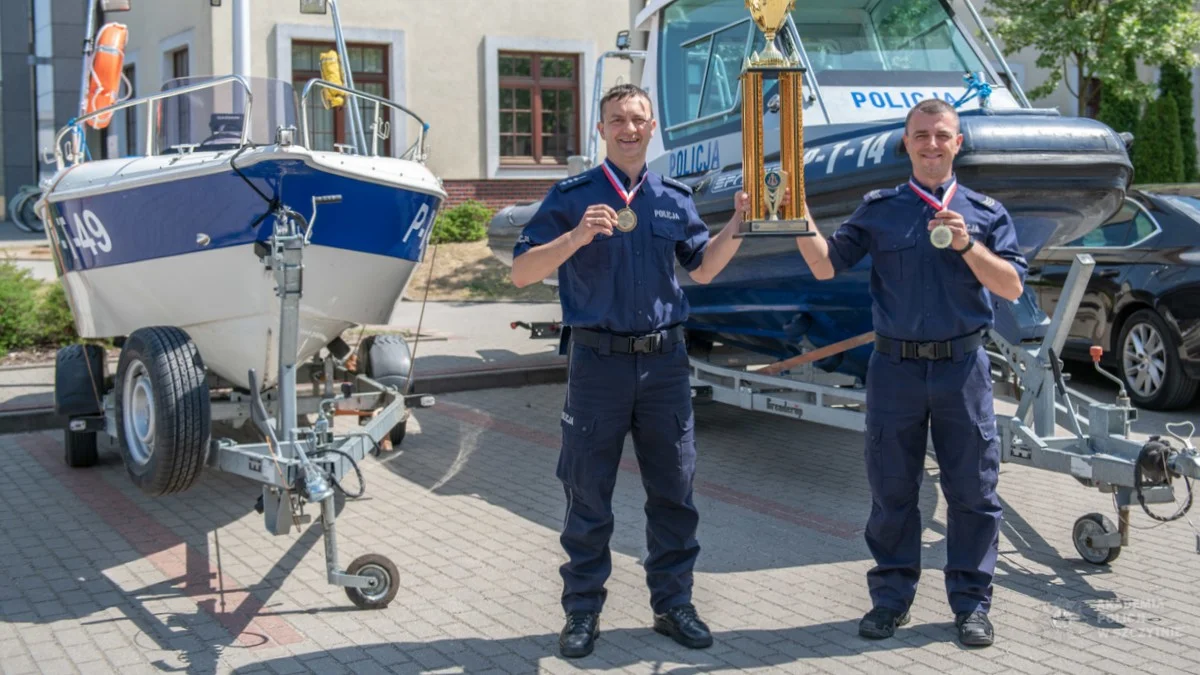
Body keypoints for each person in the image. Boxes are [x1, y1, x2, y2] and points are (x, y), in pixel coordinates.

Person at [510, 83, 751, 659]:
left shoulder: (673, 197)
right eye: (617, 119)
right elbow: (521, 272)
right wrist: (575, 235)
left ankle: (673, 605)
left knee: (674, 492)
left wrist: (741, 221)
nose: (629, 128)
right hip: (599, 364)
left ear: (651, 127)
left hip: (665, 364)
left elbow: (705, 269)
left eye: (639, 119)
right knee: (588, 492)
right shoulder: (572, 195)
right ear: (601, 129)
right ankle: (582, 612)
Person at [793, 98, 1027, 648]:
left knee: (972, 491)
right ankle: (890, 601)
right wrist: (794, 212)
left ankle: (971, 605)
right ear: (907, 141)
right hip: (894, 370)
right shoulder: (879, 208)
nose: (931, 144)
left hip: (962, 370)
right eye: (921, 135)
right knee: (893, 491)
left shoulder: (987, 212)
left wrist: (968, 243)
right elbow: (826, 265)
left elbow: (1012, 287)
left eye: (942, 135)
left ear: (958, 142)